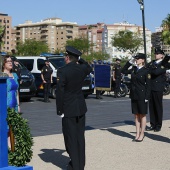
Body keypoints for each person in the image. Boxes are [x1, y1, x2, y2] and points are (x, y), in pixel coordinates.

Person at [56, 46, 92, 170]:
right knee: (79, 137)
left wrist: (60, 110)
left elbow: (60, 92)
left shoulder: (62, 71)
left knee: (70, 138)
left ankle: (75, 166)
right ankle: (80, 165)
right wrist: (79, 59)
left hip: (69, 108)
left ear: (67, 57)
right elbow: (88, 67)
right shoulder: (81, 69)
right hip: (80, 107)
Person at [122, 53, 151, 142]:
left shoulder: (146, 71)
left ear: (143, 60)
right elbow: (123, 70)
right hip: (134, 94)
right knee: (136, 115)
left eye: (138, 59)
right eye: (136, 59)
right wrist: (129, 62)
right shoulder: (134, 69)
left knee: (142, 115)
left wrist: (147, 96)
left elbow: (149, 85)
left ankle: (142, 134)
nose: (136, 60)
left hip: (142, 95)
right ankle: (137, 133)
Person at [146, 48, 167, 132]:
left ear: (162, 55)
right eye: (155, 53)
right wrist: (151, 69)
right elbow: (146, 69)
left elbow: (156, 72)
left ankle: (158, 125)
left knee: (158, 106)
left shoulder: (164, 63)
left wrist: (151, 70)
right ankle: (152, 124)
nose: (156, 55)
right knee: (151, 106)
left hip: (158, 87)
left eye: (158, 53)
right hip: (151, 86)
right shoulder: (152, 63)